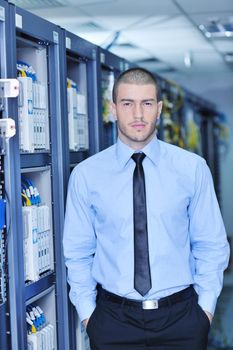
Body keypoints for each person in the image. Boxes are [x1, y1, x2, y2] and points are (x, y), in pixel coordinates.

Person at [63, 67, 230, 350]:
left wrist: (205, 311)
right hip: (112, 321)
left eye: (147, 103)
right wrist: (90, 316)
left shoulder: (192, 169)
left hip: (182, 320)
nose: (138, 114)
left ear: (160, 109)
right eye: (128, 104)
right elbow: (77, 251)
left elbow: (211, 244)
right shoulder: (86, 175)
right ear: (113, 109)